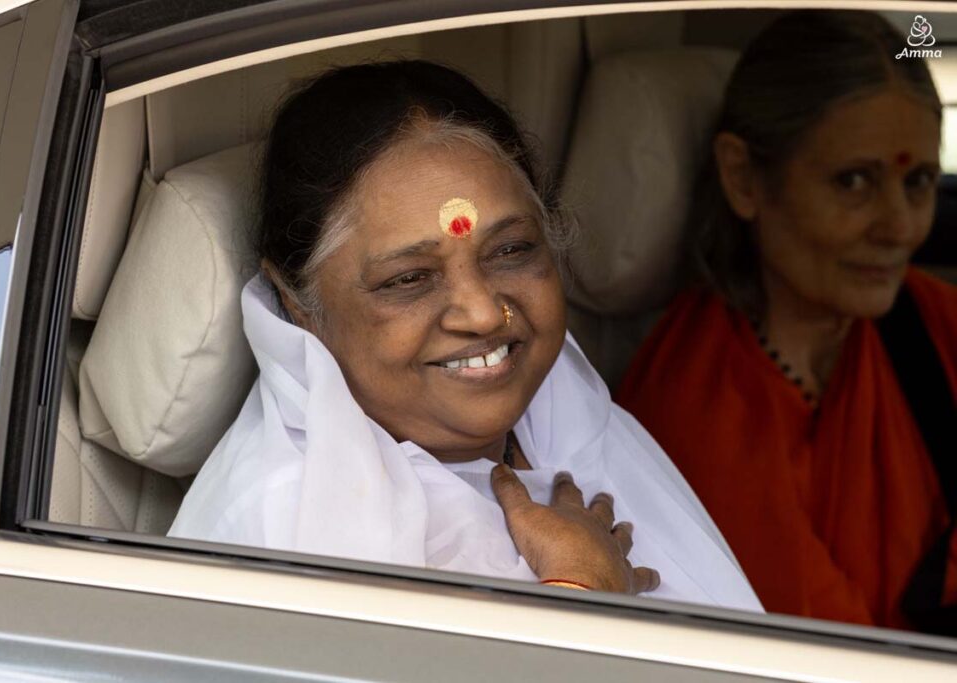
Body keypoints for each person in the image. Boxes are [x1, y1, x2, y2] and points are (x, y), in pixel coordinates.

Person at [169, 60, 761, 610]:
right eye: (408, 279)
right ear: (299, 306)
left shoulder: (577, 425)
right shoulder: (290, 529)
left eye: (511, 250)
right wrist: (581, 594)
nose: (482, 313)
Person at [616, 10, 955, 631]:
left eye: (919, 182)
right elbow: (839, 661)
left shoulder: (933, 320)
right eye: (854, 181)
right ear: (744, 178)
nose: (901, 227)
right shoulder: (700, 416)